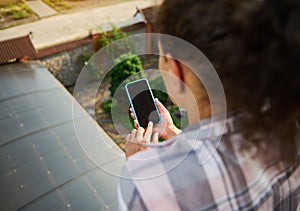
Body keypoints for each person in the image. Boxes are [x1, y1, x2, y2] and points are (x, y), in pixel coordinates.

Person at [118, 0, 300, 210]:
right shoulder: (290, 124)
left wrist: (143, 168)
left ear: (176, 70)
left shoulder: (149, 187)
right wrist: (175, 134)